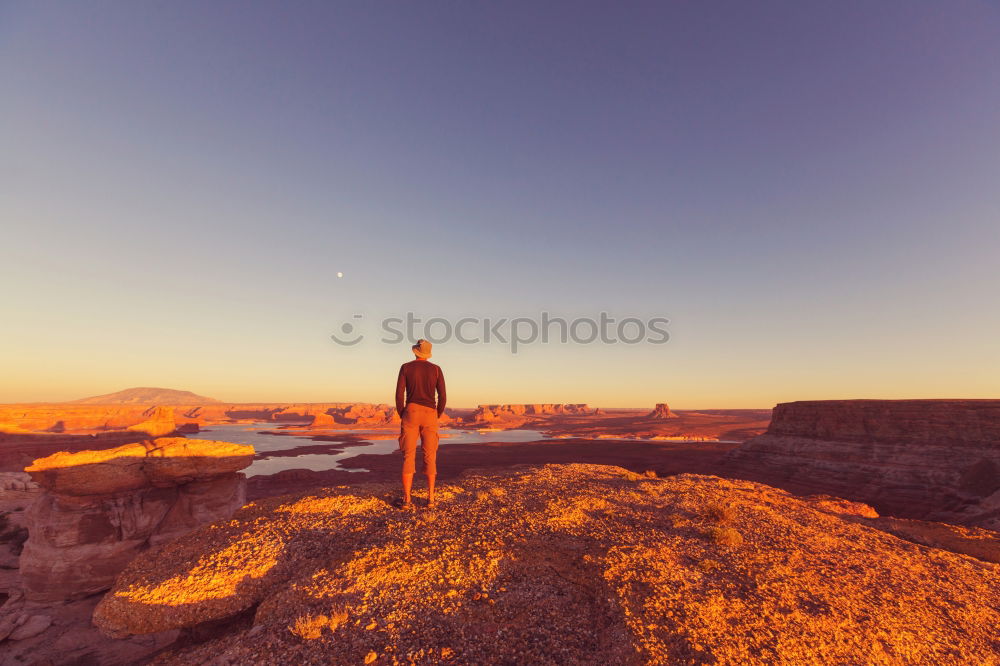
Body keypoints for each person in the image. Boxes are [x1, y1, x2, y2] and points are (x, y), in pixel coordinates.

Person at [395, 338, 446, 508]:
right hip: (430, 413)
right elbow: (443, 396)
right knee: (430, 455)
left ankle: (407, 500)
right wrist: (436, 414)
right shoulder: (436, 370)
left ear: (416, 351)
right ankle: (431, 499)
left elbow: (399, 394)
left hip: (411, 412)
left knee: (408, 455)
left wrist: (403, 413)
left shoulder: (406, 367)